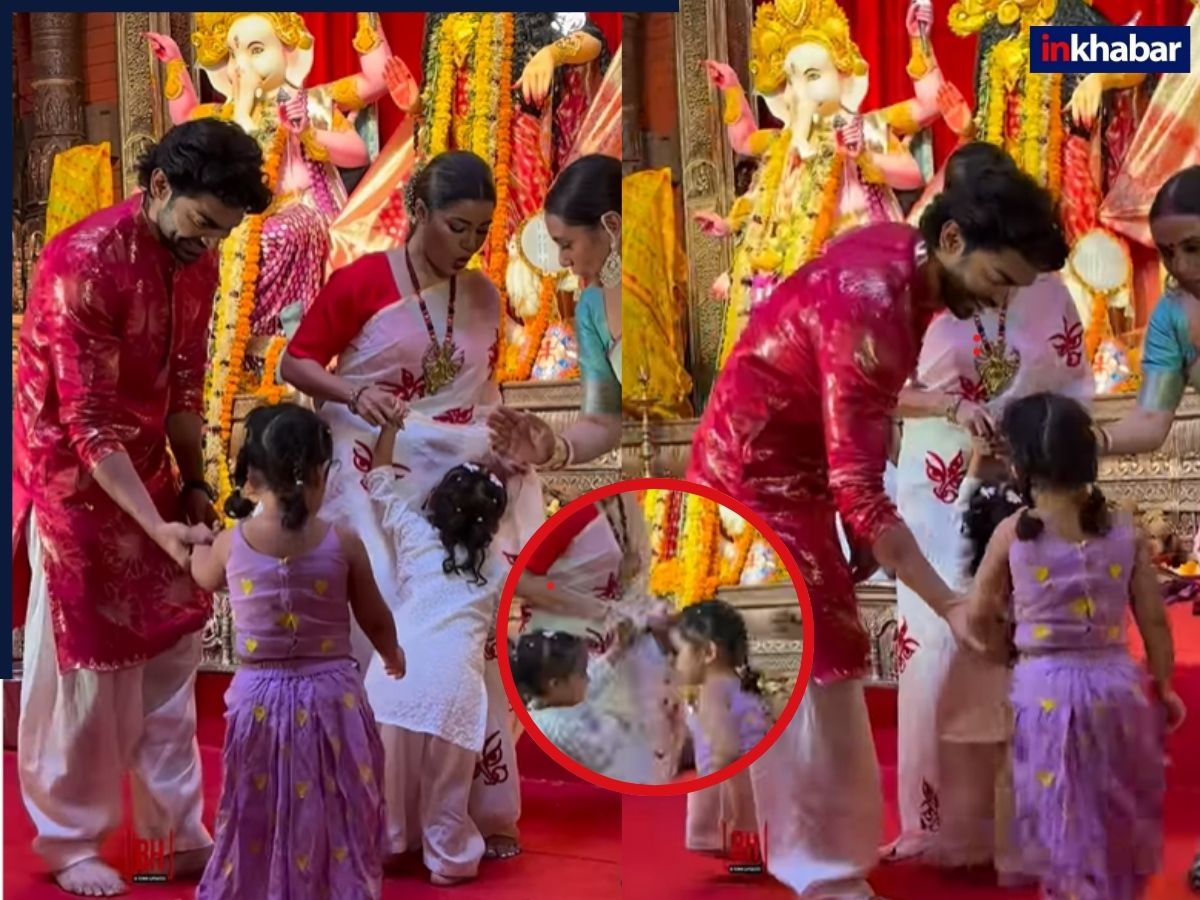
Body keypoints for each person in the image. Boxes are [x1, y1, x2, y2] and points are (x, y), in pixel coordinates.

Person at [685, 155, 1070, 897]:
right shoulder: (875, 306)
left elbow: (855, 422)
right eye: (998, 280)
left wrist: (862, 535)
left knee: (788, 645)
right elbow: (859, 486)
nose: (999, 301)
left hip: (780, 455)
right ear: (952, 239)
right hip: (758, 467)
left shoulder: (903, 260)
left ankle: (753, 833)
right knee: (821, 648)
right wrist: (948, 603)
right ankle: (822, 869)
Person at [11, 119, 271, 898]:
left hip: (150, 473)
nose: (209, 244)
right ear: (159, 186)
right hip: (72, 485)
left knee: (171, 655)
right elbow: (86, 420)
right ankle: (71, 841)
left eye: (222, 231)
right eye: (202, 223)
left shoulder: (197, 259)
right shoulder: (84, 261)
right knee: (92, 675)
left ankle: (171, 837)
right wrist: (154, 524)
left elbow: (186, 382)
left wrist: (192, 485)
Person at [280, 150, 545, 861]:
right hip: (374, 457)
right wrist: (354, 393)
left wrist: (504, 443)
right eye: (458, 227)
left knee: (471, 628)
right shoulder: (362, 281)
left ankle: (477, 809)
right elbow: (294, 362)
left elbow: (480, 390)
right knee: (389, 608)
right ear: (417, 212)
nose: (471, 244)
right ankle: (380, 812)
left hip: (456, 466)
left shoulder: (484, 294)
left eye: (482, 231)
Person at [888, 142, 1092, 868]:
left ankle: (1023, 831)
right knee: (934, 640)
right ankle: (938, 827)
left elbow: (1073, 382)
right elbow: (873, 386)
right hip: (935, 480)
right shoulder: (912, 282)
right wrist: (946, 404)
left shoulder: (1046, 283)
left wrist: (1041, 446)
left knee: (1020, 641)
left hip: (1026, 478)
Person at [965, 392, 1186, 900]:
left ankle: (1072, 888)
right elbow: (1154, 620)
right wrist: (1164, 684)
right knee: (1109, 798)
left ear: (1019, 464)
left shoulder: (1012, 535)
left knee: (1060, 802)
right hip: (1114, 686)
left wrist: (999, 648)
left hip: (1042, 687)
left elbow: (978, 613)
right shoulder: (1125, 532)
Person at [190, 404, 405, 899]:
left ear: (252, 476)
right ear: (320, 473)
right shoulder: (343, 542)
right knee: (337, 801)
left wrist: (196, 542)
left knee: (257, 801)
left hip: (258, 700)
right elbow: (374, 616)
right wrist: (391, 652)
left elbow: (202, 575)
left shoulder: (230, 544)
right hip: (333, 699)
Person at [360, 417, 511, 885]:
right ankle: (448, 858)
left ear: (436, 503)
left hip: (393, 678)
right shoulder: (498, 571)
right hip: (453, 686)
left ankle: (389, 843)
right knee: (447, 789)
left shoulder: (412, 533)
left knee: (389, 778)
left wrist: (390, 427)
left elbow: (378, 480)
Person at [487, 153, 622, 471]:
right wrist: (554, 448)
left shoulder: (663, 280)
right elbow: (602, 421)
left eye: (567, 244)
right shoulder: (591, 307)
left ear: (612, 226)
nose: (562, 261)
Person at [1098, 167, 1200, 455]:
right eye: (1168, 253)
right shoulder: (1172, 317)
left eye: (1194, 247)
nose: (1181, 266)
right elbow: (1150, 420)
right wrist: (1095, 440)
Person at [669, 600, 771, 855]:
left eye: (679, 652)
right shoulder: (735, 684)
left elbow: (727, 753)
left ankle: (735, 843)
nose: (676, 662)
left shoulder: (712, 692)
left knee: (739, 841)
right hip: (765, 781)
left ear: (708, 652)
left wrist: (739, 815)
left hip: (733, 789)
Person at [511, 626, 657, 782]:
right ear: (555, 684)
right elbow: (601, 754)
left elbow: (592, 679)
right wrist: (622, 726)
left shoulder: (558, 695)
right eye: (582, 673)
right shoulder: (554, 729)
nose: (587, 678)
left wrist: (616, 651)